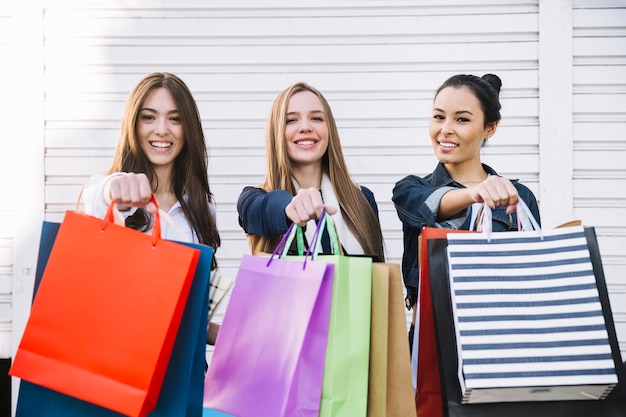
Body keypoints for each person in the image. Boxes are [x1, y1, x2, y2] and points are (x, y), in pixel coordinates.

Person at [392, 73, 541, 342]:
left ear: (490, 128)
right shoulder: (410, 189)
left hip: (503, 341)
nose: (446, 129)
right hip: (431, 343)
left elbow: (532, 279)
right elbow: (432, 206)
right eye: (439, 116)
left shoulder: (519, 198)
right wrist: (475, 193)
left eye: (462, 119)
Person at [82, 71, 222, 345]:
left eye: (175, 118)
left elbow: (184, 316)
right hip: (119, 366)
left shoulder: (202, 210)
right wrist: (117, 191)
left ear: (188, 128)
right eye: (149, 117)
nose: (161, 129)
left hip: (181, 372)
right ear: (133, 125)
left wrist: (219, 333)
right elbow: (99, 196)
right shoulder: (109, 193)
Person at [237, 81, 385, 261]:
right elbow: (265, 208)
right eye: (291, 120)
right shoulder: (253, 200)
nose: (306, 127)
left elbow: (375, 279)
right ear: (277, 133)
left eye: (316, 118)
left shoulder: (362, 199)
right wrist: (289, 207)